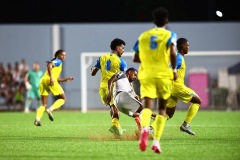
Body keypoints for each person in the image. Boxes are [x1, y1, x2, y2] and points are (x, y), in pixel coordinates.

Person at [132, 7, 177, 154]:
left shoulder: (144, 36)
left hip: (147, 74)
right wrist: (174, 70)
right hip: (163, 74)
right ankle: (156, 142)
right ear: (166, 21)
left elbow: (136, 58)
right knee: (162, 110)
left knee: (147, 107)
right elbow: (172, 53)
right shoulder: (170, 35)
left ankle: (145, 129)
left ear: (153, 21)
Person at [91, 38, 127, 136]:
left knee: (112, 106)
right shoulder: (121, 62)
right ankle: (115, 126)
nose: (123, 50)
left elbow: (93, 73)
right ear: (117, 47)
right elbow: (124, 77)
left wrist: (92, 69)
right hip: (113, 87)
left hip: (103, 87)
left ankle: (118, 129)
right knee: (116, 108)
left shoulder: (102, 58)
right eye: (122, 48)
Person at [165, 38, 202, 135]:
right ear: (182, 46)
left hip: (170, 88)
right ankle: (186, 124)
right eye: (187, 45)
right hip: (177, 87)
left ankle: (150, 129)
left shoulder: (178, 57)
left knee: (168, 114)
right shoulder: (179, 58)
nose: (188, 47)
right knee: (198, 101)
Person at [34, 49, 74, 126]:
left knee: (44, 104)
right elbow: (49, 64)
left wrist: (65, 79)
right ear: (57, 55)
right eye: (62, 55)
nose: (64, 56)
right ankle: (50, 109)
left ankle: (37, 119)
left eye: (65, 55)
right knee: (63, 99)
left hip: (43, 81)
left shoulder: (57, 63)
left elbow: (56, 78)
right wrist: (51, 77)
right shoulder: (58, 61)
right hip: (50, 80)